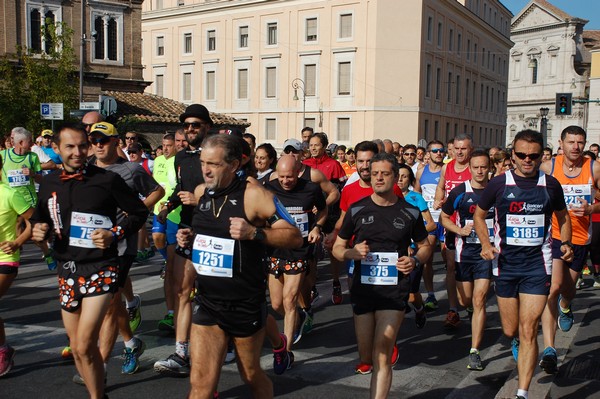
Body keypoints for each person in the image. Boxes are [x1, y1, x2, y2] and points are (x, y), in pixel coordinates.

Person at [175, 134, 302, 398]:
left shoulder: (254, 195)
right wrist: (189, 238)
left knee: (251, 374)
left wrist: (255, 233)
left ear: (233, 165)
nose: (206, 170)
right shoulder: (201, 194)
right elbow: (208, 236)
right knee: (200, 384)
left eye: (214, 164)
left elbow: (294, 236)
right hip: (209, 302)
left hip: (244, 304)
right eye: (203, 163)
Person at [31, 123, 149, 399]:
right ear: (57, 149)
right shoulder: (48, 183)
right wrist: (38, 231)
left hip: (101, 267)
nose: (77, 152)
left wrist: (114, 233)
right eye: (69, 147)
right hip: (67, 269)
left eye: (82, 146)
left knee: (85, 343)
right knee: (77, 346)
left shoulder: (106, 179)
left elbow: (138, 213)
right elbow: (40, 219)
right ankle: (100, 394)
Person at [474, 129, 572, 399]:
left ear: (541, 156)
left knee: (529, 329)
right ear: (512, 156)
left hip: (536, 266)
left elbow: (563, 218)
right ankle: (516, 339)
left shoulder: (550, 185)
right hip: (505, 265)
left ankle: (522, 392)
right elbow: (480, 217)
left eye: (533, 156)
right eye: (521, 155)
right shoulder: (498, 184)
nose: (527, 160)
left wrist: (565, 243)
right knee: (511, 329)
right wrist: (485, 244)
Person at [332, 152, 431, 398]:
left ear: (396, 177)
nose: (378, 178)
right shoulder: (357, 210)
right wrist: (351, 253)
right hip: (363, 291)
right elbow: (337, 248)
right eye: (374, 173)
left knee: (382, 353)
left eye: (384, 174)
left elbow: (426, 245)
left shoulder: (410, 212)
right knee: (366, 356)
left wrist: (415, 259)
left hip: (394, 290)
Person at [154, 103, 212, 375]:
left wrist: (199, 198)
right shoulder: (181, 158)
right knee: (183, 290)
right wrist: (169, 204)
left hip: (216, 230)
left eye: (195, 125)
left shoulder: (216, 154)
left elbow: (228, 189)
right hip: (189, 227)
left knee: (220, 294)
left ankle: (242, 341)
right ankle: (181, 352)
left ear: (206, 127)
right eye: (187, 125)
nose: (190, 130)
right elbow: (180, 187)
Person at [538, 125, 600, 374]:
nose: (576, 146)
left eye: (580, 142)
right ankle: (550, 349)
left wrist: (591, 209)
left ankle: (566, 304)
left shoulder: (593, 167)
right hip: (553, 235)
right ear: (560, 143)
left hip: (580, 238)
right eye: (571, 142)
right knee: (552, 288)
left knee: (567, 288)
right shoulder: (548, 167)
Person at [264, 154, 327, 371]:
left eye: (289, 177)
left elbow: (324, 209)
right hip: (275, 249)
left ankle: (285, 353)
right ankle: (298, 317)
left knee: (289, 299)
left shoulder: (311, 188)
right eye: (281, 177)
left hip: (299, 250)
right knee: (276, 304)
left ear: (298, 171)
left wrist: (317, 227)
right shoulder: (268, 187)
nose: (285, 181)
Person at [440, 150, 494, 371]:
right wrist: (459, 230)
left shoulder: (496, 191)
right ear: (469, 169)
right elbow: (444, 217)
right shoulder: (461, 192)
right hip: (465, 253)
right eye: (476, 167)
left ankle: (474, 350)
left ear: (489, 168)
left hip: (486, 254)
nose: (480, 171)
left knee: (480, 300)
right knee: (466, 301)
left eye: (484, 167)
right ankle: (470, 312)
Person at [434, 133, 473, 328]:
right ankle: (453, 309)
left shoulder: (475, 168)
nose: (459, 152)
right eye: (456, 148)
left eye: (463, 148)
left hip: (471, 226)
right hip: (450, 224)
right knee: (451, 266)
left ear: (470, 150)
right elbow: (441, 187)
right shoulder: (447, 167)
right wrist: (437, 199)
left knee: (468, 266)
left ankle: (471, 302)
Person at [303, 132, 347, 304]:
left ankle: (336, 282)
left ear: (324, 146)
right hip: (309, 215)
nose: (313, 148)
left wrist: (325, 205)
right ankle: (312, 287)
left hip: (330, 213)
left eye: (316, 145)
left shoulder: (334, 165)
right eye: (311, 145)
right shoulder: (304, 164)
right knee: (312, 253)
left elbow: (340, 190)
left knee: (331, 249)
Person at [0, 155, 34, 377]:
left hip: (5, 257)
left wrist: (18, 241)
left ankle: (2, 350)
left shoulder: (10, 194)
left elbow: (35, 220)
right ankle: (4, 348)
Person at [397, 163, 436, 329]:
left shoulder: (416, 198)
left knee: (412, 294)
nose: (400, 179)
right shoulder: (389, 198)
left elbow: (432, 224)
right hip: (395, 251)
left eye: (404, 176)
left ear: (410, 180)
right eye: (398, 175)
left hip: (414, 250)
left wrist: (412, 238)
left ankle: (419, 309)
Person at [152, 133, 181, 327]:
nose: (167, 148)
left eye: (170, 145)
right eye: (164, 145)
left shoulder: (181, 161)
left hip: (175, 212)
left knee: (176, 266)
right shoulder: (158, 160)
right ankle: (166, 259)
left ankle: (175, 312)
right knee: (157, 239)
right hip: (158, 209)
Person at [413, 140, 446, 311]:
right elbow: (417, 193)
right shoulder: (420, 171)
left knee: (450, 261)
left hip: (446, 220)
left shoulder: (447, 171)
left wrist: (444, 201)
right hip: (430, 220)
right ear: (429, 153)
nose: (439, 153)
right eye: (435, 151)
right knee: (427, 258)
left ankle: (458, 296)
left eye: (441, 151)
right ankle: (431, 294)